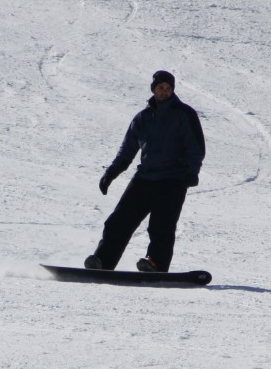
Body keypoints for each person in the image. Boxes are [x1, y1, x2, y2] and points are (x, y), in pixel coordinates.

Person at [85, 70, 205, 273]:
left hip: (173, 179)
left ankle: (155, 264)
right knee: (119, 221)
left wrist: (192, 173)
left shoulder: (184, 114)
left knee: (161, 227)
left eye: (168, 88)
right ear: (153, 89)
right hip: (145, 178)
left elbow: (196, 147)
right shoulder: (142, 117)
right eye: (161, 88)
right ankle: (102, 262)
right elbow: (127, 150)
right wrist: (111, 173)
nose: (164, 92)